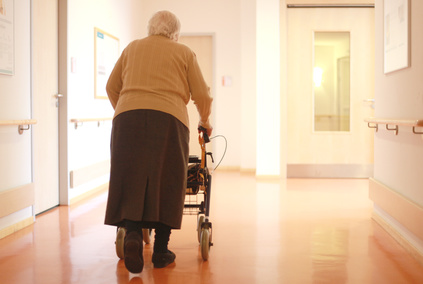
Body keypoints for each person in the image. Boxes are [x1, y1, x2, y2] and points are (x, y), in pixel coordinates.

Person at [104, 10, 213, 273]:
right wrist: (205, 121)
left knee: (130, 175)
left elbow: (111, 86)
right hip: (169, 120)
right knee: (169, 179)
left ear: (150, 28)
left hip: (127, 119)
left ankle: (131, 234)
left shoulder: (132, 48)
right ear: (175, 33)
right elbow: (202, 94)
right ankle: (161, 250)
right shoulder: (184, 52)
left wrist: (127, 111)